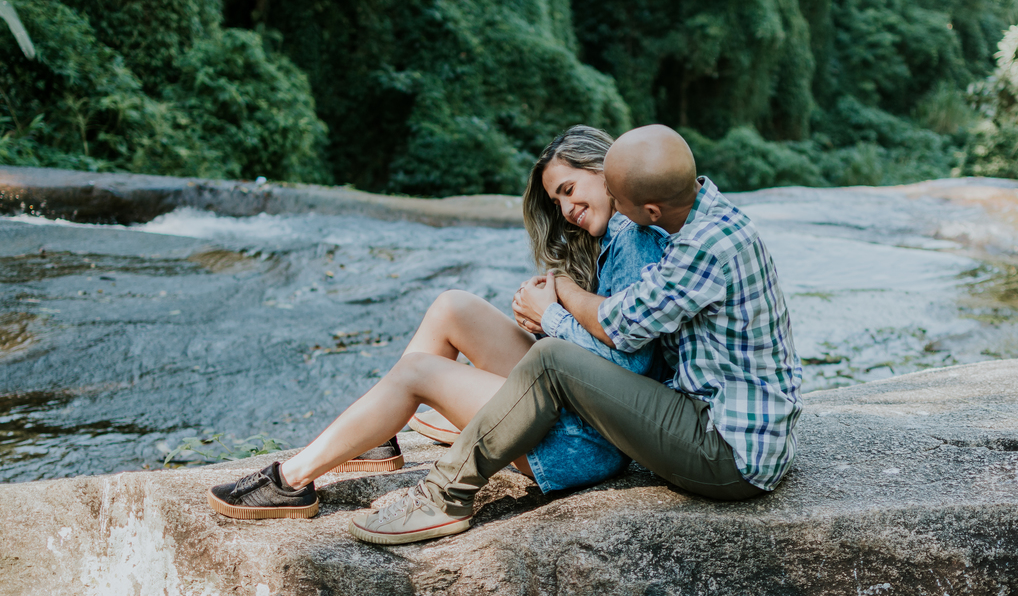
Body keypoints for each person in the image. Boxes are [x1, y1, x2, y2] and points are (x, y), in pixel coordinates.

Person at [346, 124, 804, 545]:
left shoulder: (697, 249)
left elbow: (620, 329)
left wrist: (554, 305)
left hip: (728, 455)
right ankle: (432, 433)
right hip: (727, 424)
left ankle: (444, 496)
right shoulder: (716, 219)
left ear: (649, 210)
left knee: (550, 358)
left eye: (617, 199)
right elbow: (623, 319)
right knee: (533, 350)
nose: (607, 207)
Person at [206, 125, 667, 520]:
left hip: (582, 443)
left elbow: (628, 367)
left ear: (606, 169)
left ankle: (291, 480)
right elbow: (602, 349)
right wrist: (544, 322)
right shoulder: (615, 237)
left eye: (568, 189)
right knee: (453, 306)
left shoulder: (634, 238)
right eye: (556, 200)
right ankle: (378, 436)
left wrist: (551, 315)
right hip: (575, 407)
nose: (565, 210)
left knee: (417, 373)